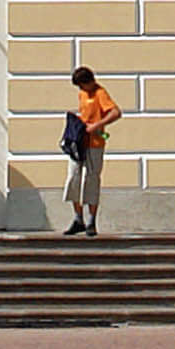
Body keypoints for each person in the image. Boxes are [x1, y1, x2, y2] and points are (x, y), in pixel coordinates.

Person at [60, 66, 120, 238]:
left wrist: (97, 125)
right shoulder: (82, 94)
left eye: (82, 85)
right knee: (73, 177)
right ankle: (78, 218)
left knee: (91, 179)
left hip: (94, 143)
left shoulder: (100, 93)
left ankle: (92, 219)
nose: (80, 89)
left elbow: (116, 112)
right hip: (79, 142)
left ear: (89, 82)